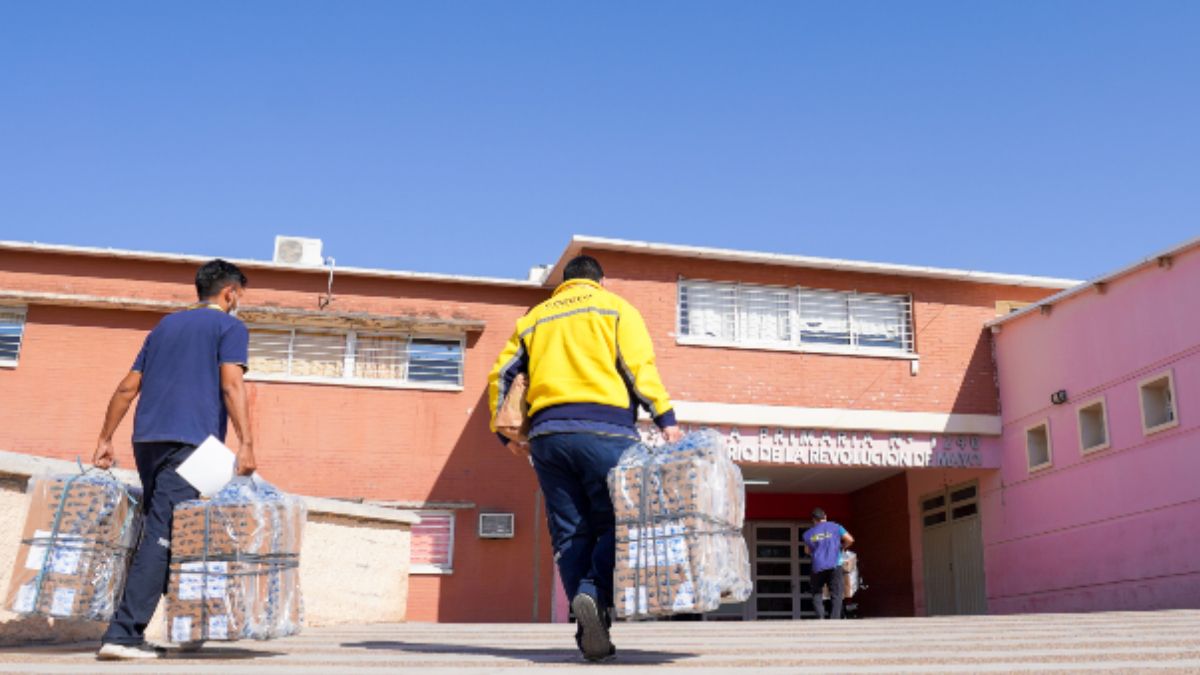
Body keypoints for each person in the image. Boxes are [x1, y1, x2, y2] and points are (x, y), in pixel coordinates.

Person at [488, 255, 682, 662]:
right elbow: (637, 367)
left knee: (569, 532)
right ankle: (593, 593)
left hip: (548, 438)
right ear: (600, 281)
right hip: (605, 431)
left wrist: (501, 433)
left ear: (564, 282)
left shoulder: (534, 319)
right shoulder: (616, 308)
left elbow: (501, 375)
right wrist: (664, 417)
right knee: (624, 523)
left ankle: (590, 628)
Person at [91, 259, 257, 661]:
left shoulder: (165, 326)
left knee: (165, 531)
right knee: (164, 535)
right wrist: (247, 442)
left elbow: (128, 386)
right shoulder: (229, 327)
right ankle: (124, 635)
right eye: (240, 296)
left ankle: (184, 625)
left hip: (147, 439)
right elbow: (232, 384)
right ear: (230, 293)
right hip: (191, 445)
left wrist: (105, 437)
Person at [803, 507, 854, 620]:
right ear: (825, 517)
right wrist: (842, 548)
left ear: (814, 520)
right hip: (835, 565)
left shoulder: (808, 534)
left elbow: (807, 551)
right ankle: (834, 620)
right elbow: (850, 539)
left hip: (817, 566)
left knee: (817, 593)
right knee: (836, 593)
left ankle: (820, 618)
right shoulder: (836, 527)